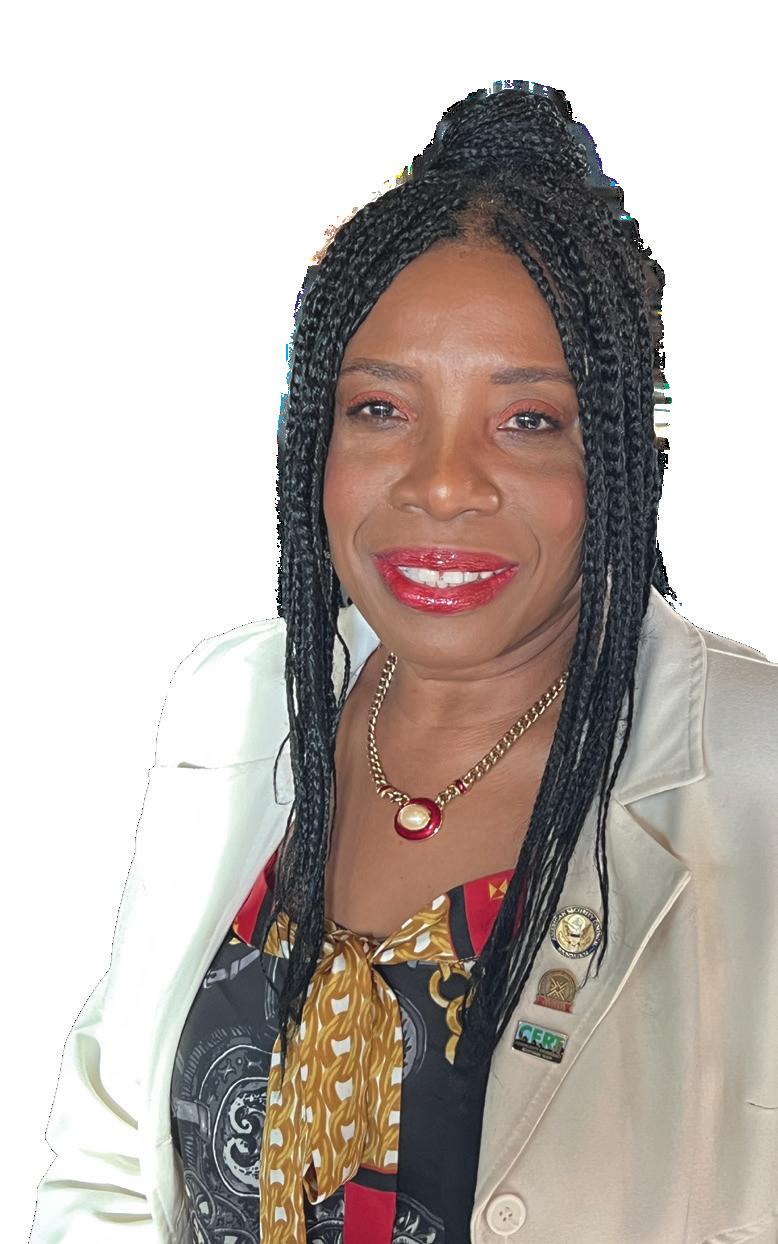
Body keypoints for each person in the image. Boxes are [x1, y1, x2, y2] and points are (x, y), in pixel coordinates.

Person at [29, 82, 778, 1244]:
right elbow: (110, 1159)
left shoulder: (752, 768)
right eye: (379, 408)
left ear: (623, 453)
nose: (439, 482)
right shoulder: (236, 701)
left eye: (528, 420)